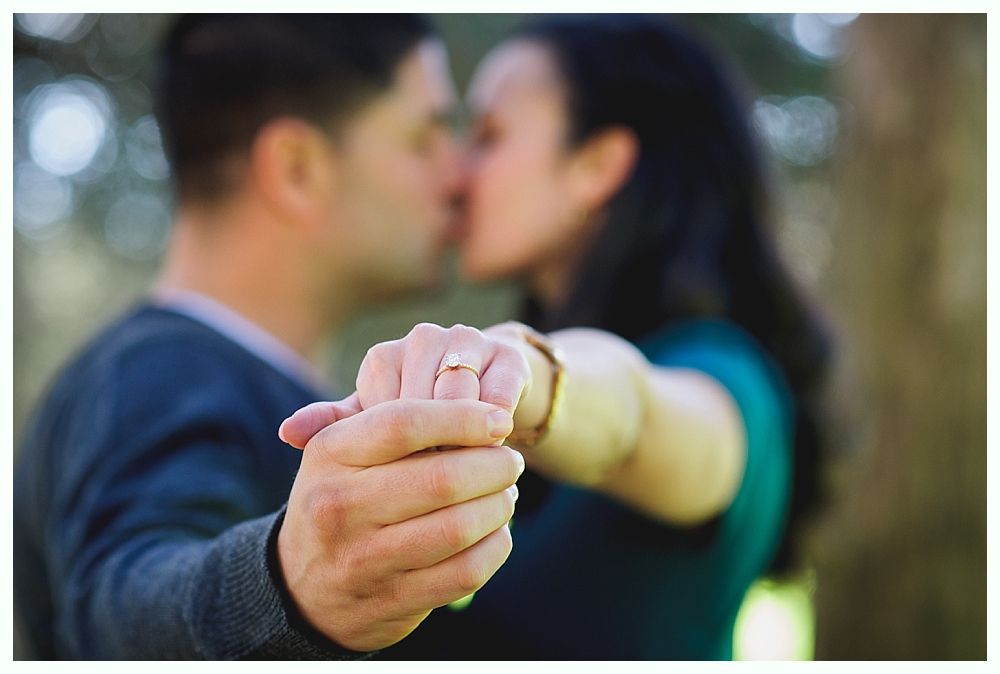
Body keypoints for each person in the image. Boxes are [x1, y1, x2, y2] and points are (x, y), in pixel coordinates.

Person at [280, 14, 833, 659]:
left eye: (488, 135)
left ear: (596, 166)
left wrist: (520, 368)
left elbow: (632, 413)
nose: (456, 173)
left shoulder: (726, 377)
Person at [13, 14, 529, 659]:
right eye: (425, 136)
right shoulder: (153, 375)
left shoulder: (230, 373)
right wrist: (288, 581)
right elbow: (122, 603)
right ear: (297, 169)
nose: (458, 176)